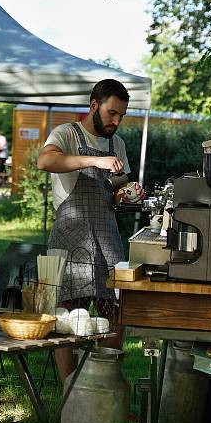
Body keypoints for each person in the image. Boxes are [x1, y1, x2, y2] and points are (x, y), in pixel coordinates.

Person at [37, 79, 143, 381]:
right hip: (71, 236)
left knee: (117, 314)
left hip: (108, 239)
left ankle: (101, 383)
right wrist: (94, 160)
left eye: (121, 115)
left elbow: (115, 194)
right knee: (68, 316)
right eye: (112, 113)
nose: (117, 121)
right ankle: (70, 390)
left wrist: (128, 194)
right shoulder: (67, 133)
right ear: (94, 105)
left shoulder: (117, 144)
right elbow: (45, 160)